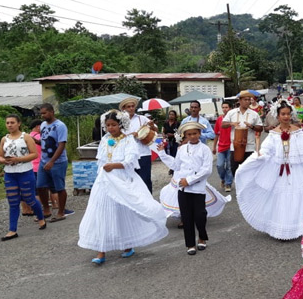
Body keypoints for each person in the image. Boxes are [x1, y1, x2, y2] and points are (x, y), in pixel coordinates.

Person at [78, 110, 168, 265]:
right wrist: (103, 173)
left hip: (122, 178)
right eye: (108, 126)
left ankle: (128, 244)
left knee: (124, 211)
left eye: (113, 125)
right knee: (101, 212)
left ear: (120, 125)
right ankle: (101, 251)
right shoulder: (105, 139)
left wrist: (115, 165)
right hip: (105, 180)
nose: (110, 128)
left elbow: (131, 161)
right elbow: (100, 159)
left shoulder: (128, 140)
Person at [235, 100, 303, 240]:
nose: (286, 117)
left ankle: (296, 226)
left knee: (296, 197)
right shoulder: (274, 133)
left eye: (288, 114)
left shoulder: (297, 131)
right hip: (278, 171)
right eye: (283, 114)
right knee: (280, 197)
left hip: (295, 170)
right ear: (278, 115)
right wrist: (257, 157)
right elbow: (266, 150)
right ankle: (281, 228)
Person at [158, 122, 213, 255]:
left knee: (200, 215)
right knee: (186, 217)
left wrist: (189, 180)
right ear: (185, 136)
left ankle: (202, 237)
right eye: (189, 134)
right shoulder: (182, 149)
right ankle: (190, 244)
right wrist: (162, 154)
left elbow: (206, 170)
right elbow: (176, 165)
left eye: (195, 133)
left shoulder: (205, 149)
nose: (192, 136)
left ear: (199, 134)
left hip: (197, 188)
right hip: (182, 189)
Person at [0, 114, 46, 241]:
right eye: (7, 123)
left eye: (12, 122)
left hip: (25, 171)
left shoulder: (26, 137)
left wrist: (18, 159)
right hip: (10, 173)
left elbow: (34, 154)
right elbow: (0, 156)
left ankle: (41, 217)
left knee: (29, 198)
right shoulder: (4, 139)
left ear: (18, 123)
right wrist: (4, 160)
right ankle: (12, 230)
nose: (9, 125)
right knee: (13, 201)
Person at [36, 103, 71, 222]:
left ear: (52, 112)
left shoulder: (60, 126)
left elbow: (61, 145)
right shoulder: (42, 125)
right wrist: (35, 141)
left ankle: (61, 212)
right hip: (44, 160)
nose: (43, 115)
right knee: (40, 186)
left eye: (45, 113)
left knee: (59, 187)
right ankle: (46, 210)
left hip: (58, 162)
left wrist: (52, 161)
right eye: (41, 113)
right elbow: (44, 142)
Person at [120, 97, 157, 193]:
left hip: (143, 153)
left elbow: (155, 130)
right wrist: (131, 135)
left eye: (133, 106)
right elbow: (117, 136)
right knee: (130, 179)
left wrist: (152, 126)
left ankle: (148, 201)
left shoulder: (142, 118)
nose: (131, 108)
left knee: (145, 179)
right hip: (127, 155)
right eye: (128, 107)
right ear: (124, 109)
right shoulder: (120, 121)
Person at [222, 90, 264, 176]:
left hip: (249, 146)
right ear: (240, 101)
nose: (248, 101)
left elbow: (260, 128)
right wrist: (232, 123)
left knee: (249, 171)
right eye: (245, 99)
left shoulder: (254, 114)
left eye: (249, 100)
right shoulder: (231, 113)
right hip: (235, 146)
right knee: (235, 169)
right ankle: (239, 186)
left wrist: (252, 126)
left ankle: (248, 188)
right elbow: (223, 124)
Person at [213, 101, 233, 192]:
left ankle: (228, 184)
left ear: (230, 108)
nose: (225, 109)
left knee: (229, 166)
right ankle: (223, 179)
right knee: (219, 165)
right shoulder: (219, 119)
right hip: (221, 146)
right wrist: (214, 147)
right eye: (223, 107)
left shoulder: (233, 119)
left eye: (226, 107)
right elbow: (216, 134)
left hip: (231, 146)